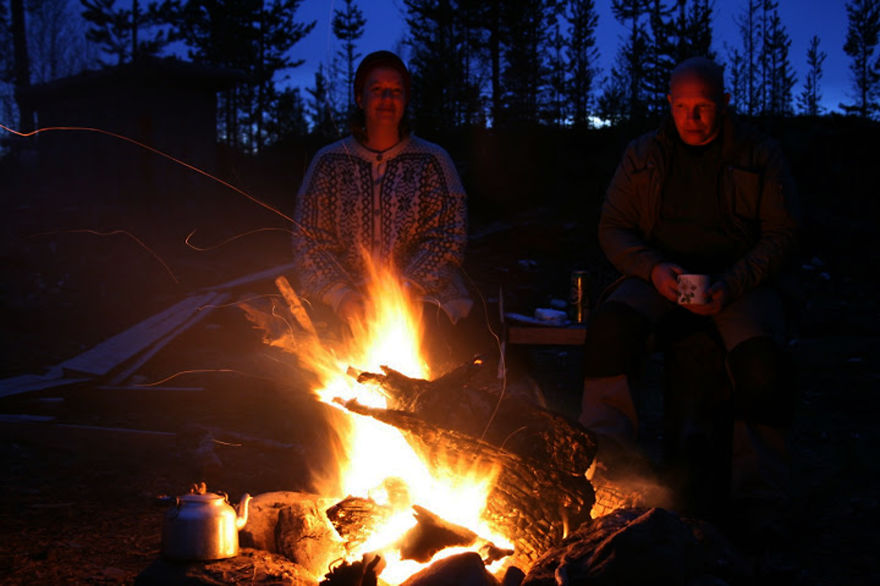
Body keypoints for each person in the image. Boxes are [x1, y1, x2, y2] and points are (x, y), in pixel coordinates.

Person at [579, 57, 800, 540]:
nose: (692, 118)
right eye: (682, 107)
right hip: (661, 276)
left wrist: (733, 283)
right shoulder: (643, 155)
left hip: (737, 283)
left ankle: (760, 497)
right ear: (670, 105)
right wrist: (652, 269)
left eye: (703, 107)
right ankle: (608, 476)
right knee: (611, 330)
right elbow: (612, 227)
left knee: (760, 361)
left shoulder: (758, 154)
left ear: (722, 103)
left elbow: (781, 235)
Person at [292, 51, 486, 374]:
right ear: (359, 97)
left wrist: (403, 291)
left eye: (395, 91)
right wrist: (345, 299)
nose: (386, 98)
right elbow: (309, 242)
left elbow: (448, 238)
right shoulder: (328, 163)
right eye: (377, 89)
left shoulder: (434, 162)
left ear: (405, 100)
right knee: (324, 360)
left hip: (426, 302)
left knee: (431, 350)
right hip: (346, 303)